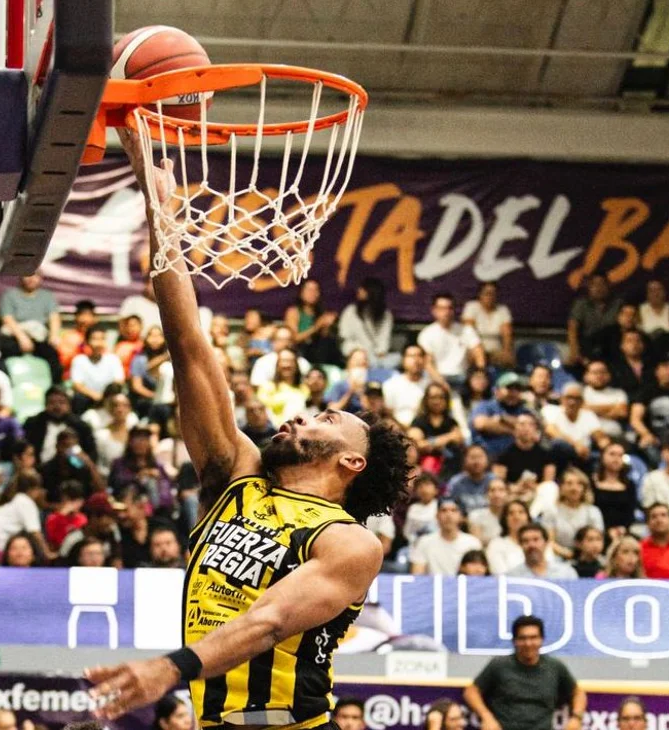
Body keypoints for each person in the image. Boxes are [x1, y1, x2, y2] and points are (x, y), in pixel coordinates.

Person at [84, 137, 413, 724]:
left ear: (352, 463)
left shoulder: (350, 543)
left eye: (325, 419)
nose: (300, 416)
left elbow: (268, 621)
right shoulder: (238, 477)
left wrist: (169, 669)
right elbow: (188, 345)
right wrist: (161, 210)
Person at [463, 615, 586, 730]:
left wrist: (576, 718)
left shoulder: (555, 667)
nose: (528, 643)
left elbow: (578, 693)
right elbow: (471, 692)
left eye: (533, 638)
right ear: (514, 641)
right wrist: (486, 717)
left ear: (541, 639)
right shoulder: (499, 665)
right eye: (522, 638)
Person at [0, 271, 64, 380]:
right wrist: (22, 338)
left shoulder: (47, 296)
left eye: (35, 276)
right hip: (15, 336)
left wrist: (54, 335)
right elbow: (7, 318)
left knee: (52, 355)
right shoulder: (9, 295)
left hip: (39, 337)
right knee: (2, 353)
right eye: (27, 275)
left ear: (40, 278)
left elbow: (54, 318)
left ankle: (54, 386)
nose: (31, 279)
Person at [418, 292, 485, 386]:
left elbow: (479, 353)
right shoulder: (426, 334)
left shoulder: (467, 331)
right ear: (434, 310)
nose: (446, 312)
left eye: (450, 308)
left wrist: (479, 373)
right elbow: (428, 364)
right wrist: (442, 383)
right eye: (442, 308)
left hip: (463, 378)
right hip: (437, 379)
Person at [536, 469, 604, 560]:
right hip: (558, 558)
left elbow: (597, 540)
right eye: (569, 483)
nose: (574, 488)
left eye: (579, 484)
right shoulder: (551, 511)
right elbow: (548, 541)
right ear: (561, 487)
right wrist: (569, 555)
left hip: (588, 557)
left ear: (584, 488)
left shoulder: (593, 511)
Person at [541, 383, 608, 466]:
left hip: (584, 457)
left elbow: (599, 436)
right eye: (569, 397)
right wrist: (576, 445)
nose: (572, 402)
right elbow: (551, 431)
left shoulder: (589, 415)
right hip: (559, 457)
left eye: (577, 399)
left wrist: (606, 446)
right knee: (558, 444)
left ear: (582, 401)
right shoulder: (551, 410)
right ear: (562, 398)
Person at [410, 499, 483, 576]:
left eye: (453, 510)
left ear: (461, 517)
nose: (449, 515)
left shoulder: (473, 543)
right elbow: (417, 576)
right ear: (437, 516)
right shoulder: (424, 542)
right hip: (432, 583)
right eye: (444, 510)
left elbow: (478, 577)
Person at [284, 278, 342, 366]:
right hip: (301, 352)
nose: (312, 293)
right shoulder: (293, 311)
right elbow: (294, 339)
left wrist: (328, 325)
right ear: (301, 293)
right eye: (308, 289)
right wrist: (317, 326)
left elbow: (324, 338)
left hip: (319, 352)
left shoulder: (321, 313)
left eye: (315, 290)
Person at [338, 276, 395, 366]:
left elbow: (384, 338)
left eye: (363, 289)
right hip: (354, 353)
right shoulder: (351, 311)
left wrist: (380, 352)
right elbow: (344, 335)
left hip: (376, 357)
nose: (359, 291)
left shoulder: (386, 315)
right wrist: (358, 351)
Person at [470, 372, 530, 458]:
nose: (514, 393)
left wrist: (502, 419)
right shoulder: (485, 405)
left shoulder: (523, 410)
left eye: (518, 389)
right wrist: (514, 430)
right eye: (509, 388)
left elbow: (530, 429)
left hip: (516, 459)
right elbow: (481, 424)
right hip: (487, 457)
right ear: (497, 391)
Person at [70, 324, 126, 414]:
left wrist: (105, 397)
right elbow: (77, 385)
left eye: (102, 339)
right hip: (88, 399)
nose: (99, 343)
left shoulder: (113, 359)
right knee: (78, 399)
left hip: (110, 399)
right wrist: (96, 396)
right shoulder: (79, 360)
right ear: (87, 342)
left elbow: (119, 381)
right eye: (95, 339)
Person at [567, 273, 621, 367]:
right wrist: (574, 351)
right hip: (588, 347)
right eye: (594, 284)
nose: (598, 288)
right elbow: (572, 328)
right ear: (588, 287)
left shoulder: (618, 304)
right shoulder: (581, 304)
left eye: (602, 284)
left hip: (612, 349)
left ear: (609, 286)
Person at [592, 443, 639, 538]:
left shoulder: (629, 485)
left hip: (622, 532)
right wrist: (607, 531)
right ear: (602, 457)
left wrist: (623, 528)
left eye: (620, 455)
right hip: (597, 532)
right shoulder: (592, 482)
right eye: (612, 454)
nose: (616, 459)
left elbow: (630, 512)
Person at [463, 281, 514, 367]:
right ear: (480, 295)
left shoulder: (503, 310)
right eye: (487, 293)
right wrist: (479, 351)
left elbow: (507, 334)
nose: (490, 296)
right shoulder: (471, 307)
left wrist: (507, 350)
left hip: (495, 349)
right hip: (475, 348)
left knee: (508, 358)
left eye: (493, 294)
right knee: (471, 356)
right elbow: (469, 331)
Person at [507, 523, 577, 579]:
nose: (531, 545)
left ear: (546, 543)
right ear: (520, 545)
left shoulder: (566, 573)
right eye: (526, 541)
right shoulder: (512, 577)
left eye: (536, 539)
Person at [582, 360, 630, 439]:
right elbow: (581, 410)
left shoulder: (619, 393)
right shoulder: (580, 392)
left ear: (609, 375)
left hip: (614, 434)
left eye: (602, 372)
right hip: (588, 435)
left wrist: (592, 411)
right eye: (595, 373)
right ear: (586, 376)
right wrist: (612, 407)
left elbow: (622, 412)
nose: (599, 376)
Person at [485, 500, 534, 575]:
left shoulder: (538, 541)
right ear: (505, 519)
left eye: (521, 512)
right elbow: (500, 574)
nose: (516, 517)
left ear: (528, 517)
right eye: (511, 513)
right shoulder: (496, 544)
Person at [467, 478, 509, 545]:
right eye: (492, 490)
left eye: (501, 490)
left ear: (507, 493)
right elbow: (477, 544)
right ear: (486, 494)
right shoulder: (476, 515)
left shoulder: (513, 516)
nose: (497, 495)